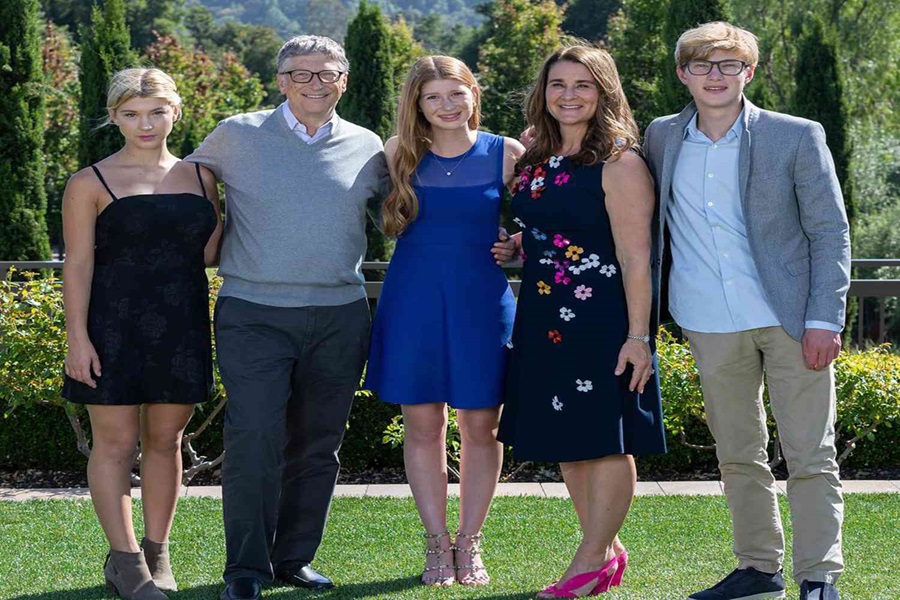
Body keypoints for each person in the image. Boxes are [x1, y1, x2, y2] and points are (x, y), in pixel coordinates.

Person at [643, 22, 850, 600]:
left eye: (729, 64)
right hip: (706, 320)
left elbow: (830, 231)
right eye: (702, 64)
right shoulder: (660, 136)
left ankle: (819, 577)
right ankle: (759, 569)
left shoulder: (795, 135)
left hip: (792, 321)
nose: (715, 75)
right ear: (683, 74)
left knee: (811, 455)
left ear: (749, 72)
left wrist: (825, 319)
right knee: (737, 455)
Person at [186, 35, 388, 600]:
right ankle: (245, 569)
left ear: (344, 80)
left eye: (327, 73)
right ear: (280, 81)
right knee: (254, 437)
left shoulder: (368, 146)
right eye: (301, 73)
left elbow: (401, 217)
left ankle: (294, 559)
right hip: (253, 313)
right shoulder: (236, 134)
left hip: (340, 314)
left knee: (319, 443)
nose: (314, 83)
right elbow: (181, 182)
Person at [495, 45, 666, 598]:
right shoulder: (538, 157)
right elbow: (553, 227)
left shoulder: (619, 162)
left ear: (604, 92)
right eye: (558, 84)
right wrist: (521, 244)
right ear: (543, 92)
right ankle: (606, 551)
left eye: (582, 85)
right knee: (568, 438)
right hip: (543, 316)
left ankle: (591, 558)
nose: (568, 95)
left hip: (601, 319)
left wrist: (638, 337)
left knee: (606, 438)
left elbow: (636, 257)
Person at [62, 68, 222, 600]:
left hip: (181, 324)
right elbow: (78, 265)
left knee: (166, 440)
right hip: (111, 327)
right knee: (114, 444)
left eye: (156, 111)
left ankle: (158, 552)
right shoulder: (89, 182)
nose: (145, 124)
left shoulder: (202, 178)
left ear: (176, 111)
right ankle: (127, 564)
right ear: (114, 118)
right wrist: (77, 338)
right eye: (131, 114)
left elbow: (210, 252)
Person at [365, 55, 523, 587]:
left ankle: (470, 541)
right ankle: (436, 542)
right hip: (413, 301)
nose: (447, 105)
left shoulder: (507, 152)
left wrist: (517, 241)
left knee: (483, 426)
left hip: (481, 302)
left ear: (473, 93)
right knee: (422, 425)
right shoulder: (398, 152)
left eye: (456, 93)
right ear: (417, 104)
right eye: (433, 97)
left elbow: (551, 216)